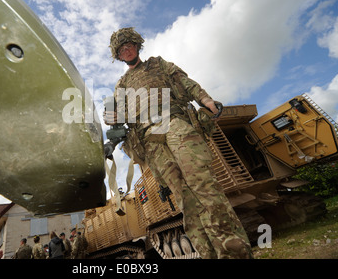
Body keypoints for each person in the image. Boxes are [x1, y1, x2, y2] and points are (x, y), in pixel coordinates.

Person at [104, 27, 252, 259]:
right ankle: (208, 254)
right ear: (119, 56)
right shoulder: (121, 85)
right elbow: (119, 120)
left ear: (137, 46)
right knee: (184, 199)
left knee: (203, 184)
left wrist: (206, 99)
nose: (127, 50)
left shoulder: (157, 64)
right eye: (122, 49)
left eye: (130, 45)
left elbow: (185, 82)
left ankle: (234, 252)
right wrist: (111, 122)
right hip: (150, 142)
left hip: (174, 123)